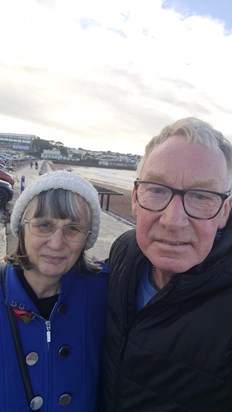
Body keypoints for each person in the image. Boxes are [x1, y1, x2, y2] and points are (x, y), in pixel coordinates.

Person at [104, 117, 232, 411]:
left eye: (202, 196)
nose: (173, 221)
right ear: (135, 198)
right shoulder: (124, 251)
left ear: (224, 211)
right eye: (157, 189)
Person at [0, 170, 108, 412]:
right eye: (44, 225)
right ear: (22, 228)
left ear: (87, 238)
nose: (57, 243)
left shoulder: (106, 292)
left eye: (73, 229)